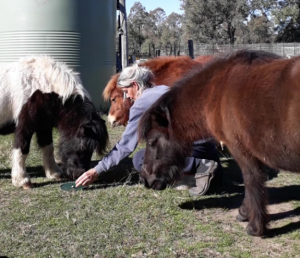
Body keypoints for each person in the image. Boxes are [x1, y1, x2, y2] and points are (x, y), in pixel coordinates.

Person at [75, 64, 222, 196]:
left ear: (135, 85)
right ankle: (206, 169)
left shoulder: (142, 104)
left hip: (191, 149)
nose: (128, 97)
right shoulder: (163, 89)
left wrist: (96, 170)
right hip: (208, 147)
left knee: (141, 159)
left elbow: (125, 146)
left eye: (126, 91)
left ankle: (196, 171)